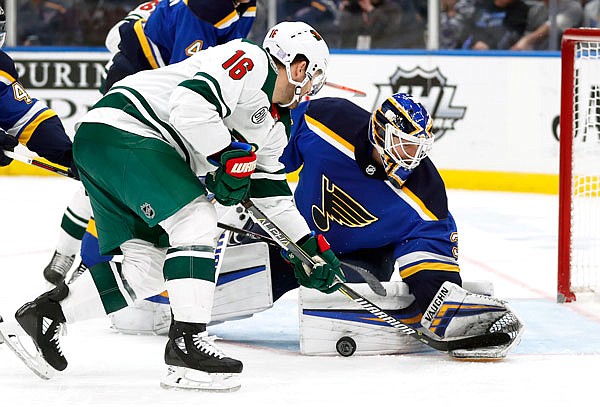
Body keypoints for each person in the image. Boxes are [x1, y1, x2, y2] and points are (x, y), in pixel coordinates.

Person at [0, 21, 344, 392]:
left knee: (148, 267)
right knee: (196, 221)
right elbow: (189, 104)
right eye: (314, 74)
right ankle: (187, 344)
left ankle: (46, 314)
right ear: (297, 65)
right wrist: (224, 156)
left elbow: (269, 192)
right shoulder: (248, 59)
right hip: (125, 129)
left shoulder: (276, 126)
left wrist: (307, 248)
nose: (313, 85)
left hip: (128, 146)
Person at [43, 0, 258, 286]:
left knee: (129, 180)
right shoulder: (205, 7)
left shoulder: (245, 7)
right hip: (138, 81)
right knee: (108, 178)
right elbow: (189, 77)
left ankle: (87, 256)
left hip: (157, 84)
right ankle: (71, 253)